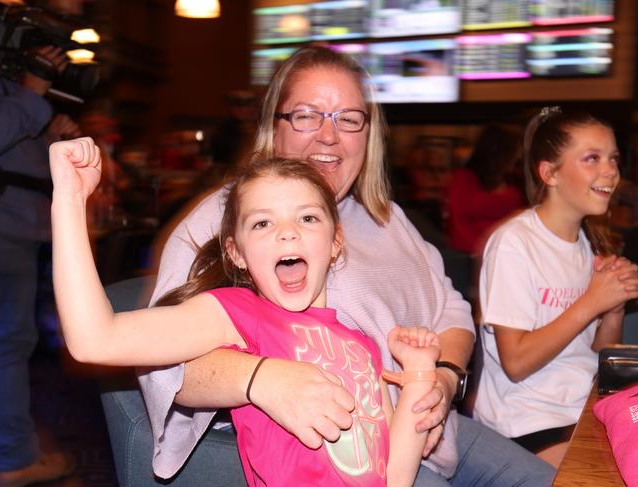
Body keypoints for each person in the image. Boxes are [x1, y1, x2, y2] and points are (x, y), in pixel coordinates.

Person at [107, 46, 555, 486]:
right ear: (272, 126)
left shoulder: (387, 217)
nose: (328, 135)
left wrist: (442, 376)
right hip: (347, 457)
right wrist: (261, 378)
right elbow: (165, 365)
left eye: (348, 118)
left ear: (369, 134)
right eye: (306, 115)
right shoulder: (230, 219)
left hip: (438, 434)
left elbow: (453, 310)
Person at [50, 137, 441, 486]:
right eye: (262, 223)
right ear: (236, 253)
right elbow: (95, 340)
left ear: (335, 241)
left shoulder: (363, 346)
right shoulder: (236, 313)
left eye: (307, 217)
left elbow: (396, 474)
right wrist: (69, 199)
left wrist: (420, 373)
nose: (287, 232)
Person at [473, 107, 638, 469]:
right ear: (549, 173)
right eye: (591, 159)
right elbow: (516, 362)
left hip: (582, 409)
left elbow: (596, 351)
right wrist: (592, 302)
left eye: (613, 159)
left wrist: (612, 306)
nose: (610, 170)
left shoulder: (587, 245)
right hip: (526, 421)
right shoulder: (514, 243)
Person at [0, 45, 79, 486]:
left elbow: (7, 154)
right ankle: (15, 457)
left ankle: (8, 446)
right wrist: (30, 94)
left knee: (3, 343)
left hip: (10, 229)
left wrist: (50, 142)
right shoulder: (14, 87)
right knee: (5, 344)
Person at [445, 124, 524, 256]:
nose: (517, 158)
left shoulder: (515, 180)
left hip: (503, 251)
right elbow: (459, 224)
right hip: (470, 254)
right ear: (498, 153)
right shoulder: (464, 178)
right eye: (513, 153)